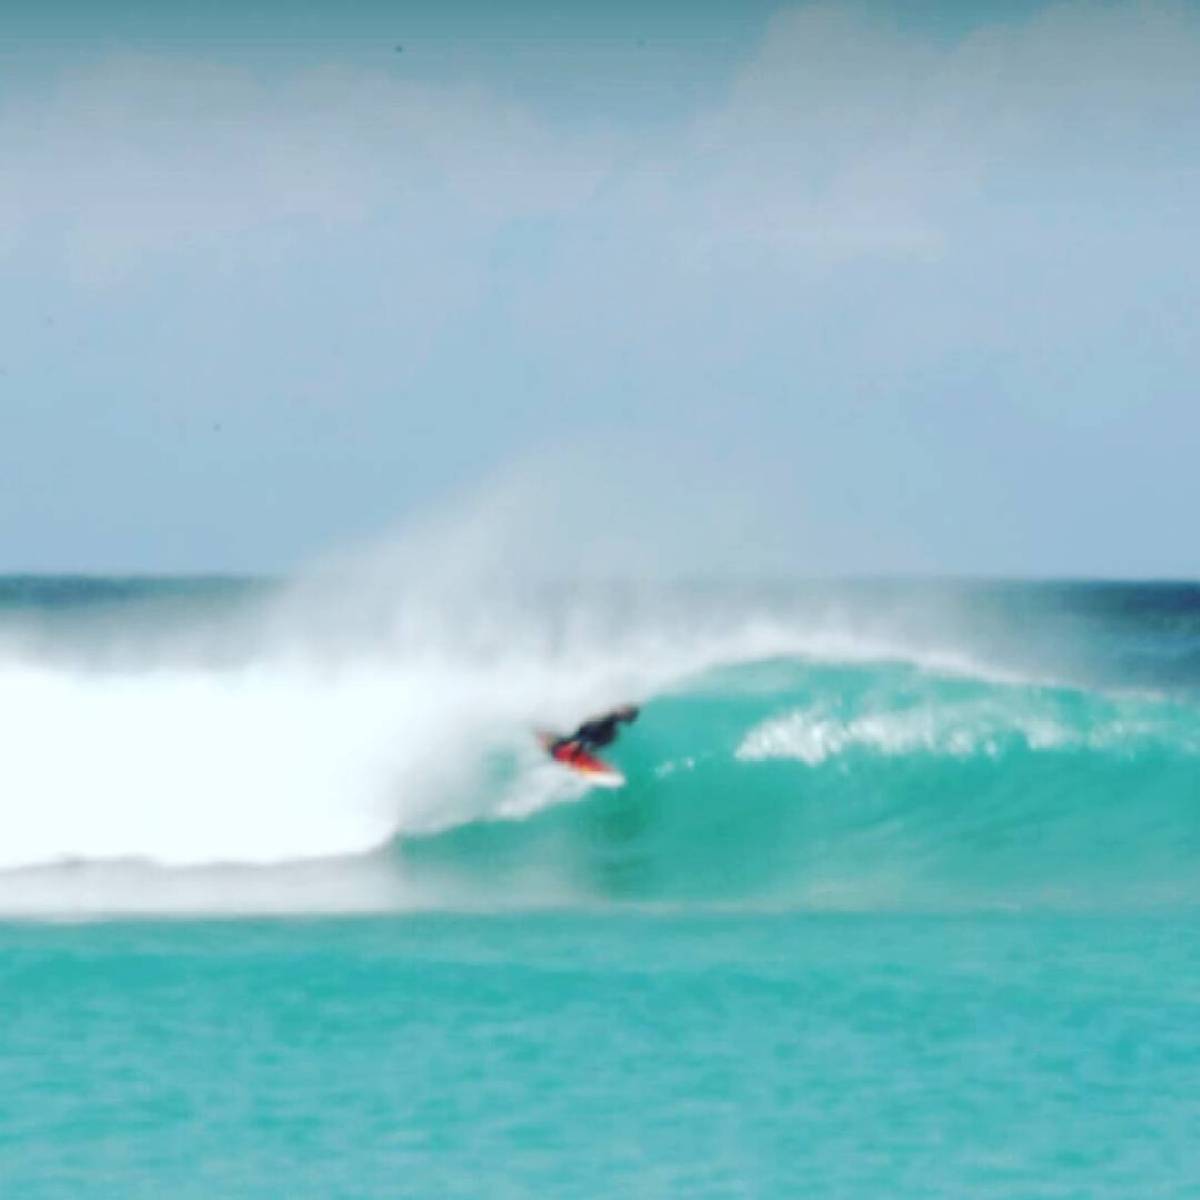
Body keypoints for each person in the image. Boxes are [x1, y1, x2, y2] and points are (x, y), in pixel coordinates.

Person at [552, 704, 640, 754]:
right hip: (584, 733)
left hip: (588, 736)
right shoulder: (608, 714)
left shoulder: (611, 723)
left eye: (626, 711)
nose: (622, 709)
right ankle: (568, 744)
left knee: (607, 733)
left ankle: (571, 746)